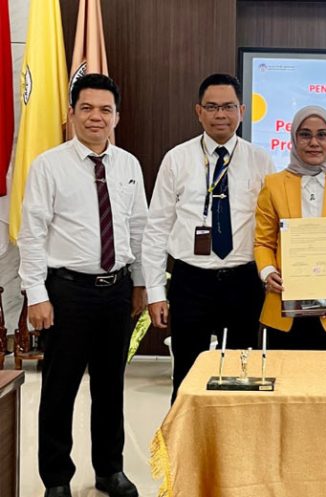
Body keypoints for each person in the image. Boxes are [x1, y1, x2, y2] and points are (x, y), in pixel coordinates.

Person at [18, 74, 146, 497]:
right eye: (87, 108)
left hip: (117, 291)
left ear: (117, 117)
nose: (96, 117)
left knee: (111, 387)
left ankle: (110, 470)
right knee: (60, 389)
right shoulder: (49, 165)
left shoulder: (128, 165)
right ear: (71, 113)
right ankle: (57, 479)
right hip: (67, 293)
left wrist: (140, 283)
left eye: (105, 110)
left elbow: (138, 229)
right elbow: (32, 233)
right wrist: (37, 294)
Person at [142, 74, 274, 401]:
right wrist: (155, 292)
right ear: (198, 111)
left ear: (242, 111)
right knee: (187, 377)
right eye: (212, 107)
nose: (220, 114)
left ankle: (237, 435)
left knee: (242, 377)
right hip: (191, 281)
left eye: (228, 106)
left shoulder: (260, 160)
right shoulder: (177, 158)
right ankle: (185, 436)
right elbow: (156, 227)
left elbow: (271, 225)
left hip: (243, 281)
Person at [255, 105, 326, 349]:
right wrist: (268, 272)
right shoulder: (273, 184)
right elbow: (263, 242)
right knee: (285, 373)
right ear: (294, 138)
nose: (314, 142)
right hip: (286, 306)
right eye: (305, 134)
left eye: (322, 135)